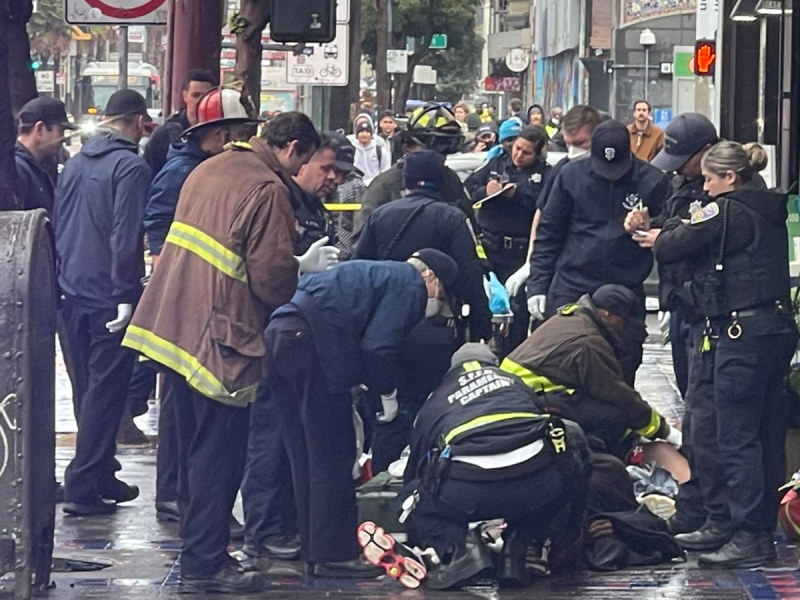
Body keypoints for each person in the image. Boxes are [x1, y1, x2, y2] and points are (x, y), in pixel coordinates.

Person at [122, 112, 325, 594]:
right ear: (292, 147)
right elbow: (273, 279)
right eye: (306, 161)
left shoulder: (210, 166)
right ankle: (207, 563)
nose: (301, 172)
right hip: (221, 339)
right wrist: (304, 266)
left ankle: (200, 548)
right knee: (220, 454)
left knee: (192, 450)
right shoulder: (266, 189)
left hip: (174, 325)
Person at [266, 250, 459, 578]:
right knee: (333, 453)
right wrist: (387, 395)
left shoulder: (375, 271)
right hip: (314, 343)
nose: (437, 301)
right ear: (430, 276)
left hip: (280, 333)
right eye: (441, 292)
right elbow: (378, 347)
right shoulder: (410, 285)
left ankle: (314, 546)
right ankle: (335, 555)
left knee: (303, 451)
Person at [653, 141, 797, 569]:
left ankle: (748, 534)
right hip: (773, 329)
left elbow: (669, 245)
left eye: (710, 180)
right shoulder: (770, 208)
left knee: (736, 436)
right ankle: (736, 524)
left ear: (729, 178)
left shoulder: (725, 210)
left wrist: (663, 228)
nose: (707, 188)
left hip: (741, 334)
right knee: (765, 432)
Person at [379, 342, 590, 590]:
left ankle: (461, 548)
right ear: (493, 365)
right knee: (568, 463)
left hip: (466, 494)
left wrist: (421, 522)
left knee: (412, 499)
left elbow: (415, 469)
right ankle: (518, 547)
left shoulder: (436, 398)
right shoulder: (515, 383)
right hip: (536, 487)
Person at [144, 87, 261, 524]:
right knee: (185, 418)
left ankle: (182, 497)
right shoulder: (189, 172)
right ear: (218, 134)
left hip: (187, 310)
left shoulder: (202, 168)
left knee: (183, 414)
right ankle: (181, 497)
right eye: (237, 134)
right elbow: (156, 222)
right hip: (186, 312)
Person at [241, 132, 360, 562]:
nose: (332, 178)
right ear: (300, 158)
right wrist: (300, 265)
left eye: (339, 173)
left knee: (289, 435)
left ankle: (282, 523)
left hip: (300, 330)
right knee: (270, 436)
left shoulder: (310, 204)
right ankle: (265, 528)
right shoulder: (279, 198)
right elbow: (267, 267)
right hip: (276, 331)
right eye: (326, 168)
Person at [354, 151, 492, 468]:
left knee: (389, 411)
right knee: (434, 407)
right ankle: (427, 474)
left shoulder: (381, 216)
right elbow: (470, 277)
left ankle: (384, 479)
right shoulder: (451, 218)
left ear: (405, 182)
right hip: (437, 333)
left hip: (385, 333)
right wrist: (482, 325)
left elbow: (362, 269)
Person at [624, 114, 724, 542]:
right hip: (682, 306)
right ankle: (696, 503)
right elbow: (674, 223)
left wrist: (663, 239)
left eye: (686, 160)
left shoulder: (722, 191)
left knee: (710, 419)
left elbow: (696, 235)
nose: (681, 168)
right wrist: (647, 224)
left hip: (711, 315)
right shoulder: (682, 185)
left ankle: (711, 509)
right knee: (694, 410)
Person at [53, 90, 152, 516]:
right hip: (108, 293)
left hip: (71, 287)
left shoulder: (74, 163)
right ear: (135, 122)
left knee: (87, 392)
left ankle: (97, 472)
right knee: (105, 393)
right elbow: (125, 234)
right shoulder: (130, 166)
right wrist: (126, 293)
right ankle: (83, 482)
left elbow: (59, 224)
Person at [527, 120, 671, 383]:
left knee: (620, 373)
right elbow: (549, 234)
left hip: (624, 288)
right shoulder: (570, 176)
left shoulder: (653, 181)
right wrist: (537, 285)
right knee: (562, 371)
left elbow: (672, 232)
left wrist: (668, 298)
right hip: (572, 285)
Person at [502, 285, 681, 457]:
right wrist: (663, 431)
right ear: (606, 314)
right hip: (528, 396)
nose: (626, 327)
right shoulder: (589, 342)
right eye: (624, 320)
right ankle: (594, 462)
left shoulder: (576, 316)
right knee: (614, 418)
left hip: (517, 389)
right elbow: (617, 394)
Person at [465, 126, 551, 350]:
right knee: (485, 305)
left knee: (517, 313)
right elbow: (468, 188)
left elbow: (545, 207)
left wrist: (518, 195)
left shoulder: (546, 175)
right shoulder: (497, 162)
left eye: (526, 152)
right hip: (490, 248)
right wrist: (486, 190)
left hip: (520, 253)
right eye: (517, 148)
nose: (519, 155)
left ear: (538, 153)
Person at [509, 105, 604, 301]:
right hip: (566, 273)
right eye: (568, 143)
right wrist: (531, 264)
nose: (573, 151)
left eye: (580, 143)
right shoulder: (563, 169)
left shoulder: (614, 169)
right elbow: (543, 216)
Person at [353, 103, 473, 240]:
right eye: (432, 151)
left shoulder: (450, 180)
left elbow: (469, 229)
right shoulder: (386, 185)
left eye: (444, 153)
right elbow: (360, 241)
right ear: (409, 146)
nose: (438, 158)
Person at [144, 68, 216, 177]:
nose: (200, 101)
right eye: (195, 95)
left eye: (205, 96)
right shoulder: (165, 134)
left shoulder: (219, 131)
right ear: (185, 96)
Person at [15, 97, 77, 212]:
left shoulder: (35, 167)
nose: (63, 139)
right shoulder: (18, 169)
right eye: (60, 131)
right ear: (40, 129)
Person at [352, 119, 390, 185]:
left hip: (374, 186)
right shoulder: (352, 149)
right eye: (361, 132)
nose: (364, 134)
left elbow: (386, 171)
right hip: (354, 185)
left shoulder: (380, 150)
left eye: (367, 132)